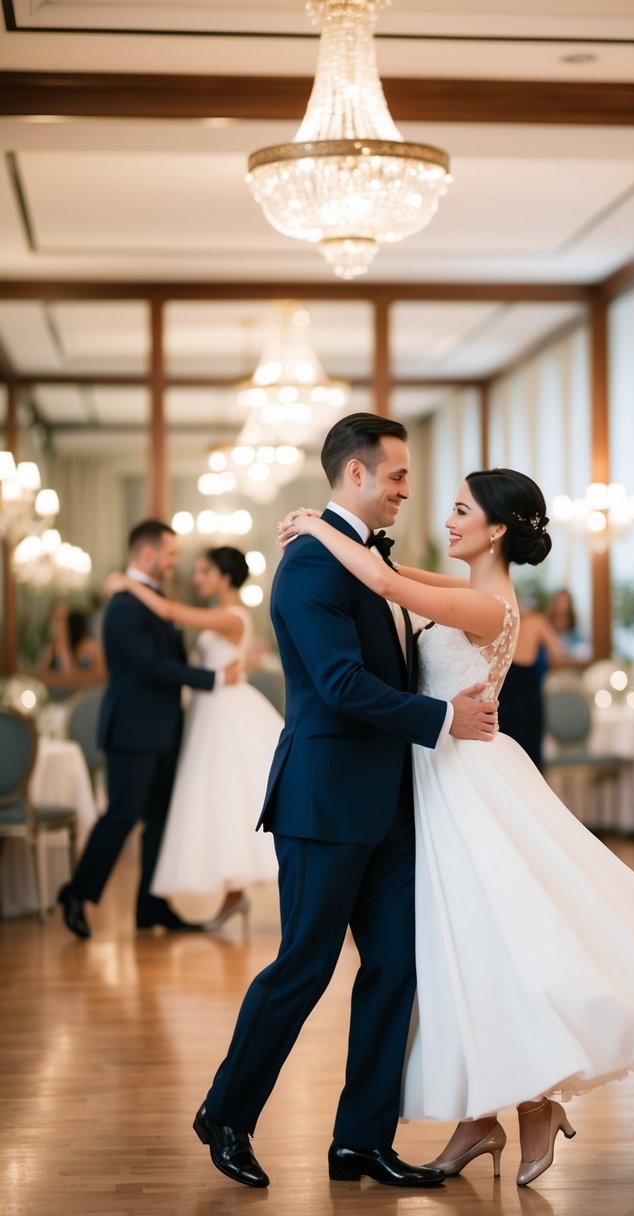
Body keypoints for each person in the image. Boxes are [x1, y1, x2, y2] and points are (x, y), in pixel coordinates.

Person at [283, 467, 634, 1189]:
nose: (446, 520)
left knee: (495, 946)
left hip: (468, 785)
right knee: (464, 955)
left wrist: (319, 528)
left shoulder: (486, 606)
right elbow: (396, 570)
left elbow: (388, 586)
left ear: (495, 532)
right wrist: (342, 537)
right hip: (439, 776)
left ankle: (530, 1100)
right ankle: (486, 1116)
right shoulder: (472, 590)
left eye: (459, 512)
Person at [193, 414, 498, 1191]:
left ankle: (359, 1139)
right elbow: (338, 686)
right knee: (304, 965)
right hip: (323, 802)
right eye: (395, 477)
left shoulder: (364, 560)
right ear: (354, 476)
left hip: (391, 804)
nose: (406, 490)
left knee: (396, 966)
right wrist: (441, 719)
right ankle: (226, 1112)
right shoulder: (308, 569)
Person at [57, 520, 241, 941]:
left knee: (160, 820)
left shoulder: (154, 599)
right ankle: (76, 893)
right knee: (121, 817)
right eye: (171, 554)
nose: (175, 562)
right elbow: (151, 667)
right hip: (132, 731)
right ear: (147, 554)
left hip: (165, 728)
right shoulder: (123, 605)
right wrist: (213, 678)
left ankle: (150, 906)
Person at [103, 546, 282, 931]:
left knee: (226, 798)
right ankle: (233, 896)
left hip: (224, 711)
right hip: (206, 708)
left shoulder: (229, 615)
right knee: (216, 800)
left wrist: (126, 584)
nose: (196, 578)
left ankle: (236, 894)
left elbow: (168, 612)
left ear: (223, 577)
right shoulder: (226, 616)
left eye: (204, 572)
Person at [498, 604, 565, 768]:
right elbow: (558, 654)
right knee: (529, 746)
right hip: (527, 687)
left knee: (505, 747)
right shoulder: (537, 622)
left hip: (503, 686)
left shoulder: (499, 620)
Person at [33, 601, 106, 686]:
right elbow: (37, 675)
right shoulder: (53, 648)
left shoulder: (93, 647)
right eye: (55, 619)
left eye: (61, 620)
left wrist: (63, 638)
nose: (56, 625)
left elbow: (70, 677)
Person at [547, 587, 590, 659]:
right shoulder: (546, 626)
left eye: (565, 602)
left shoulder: (575, 633)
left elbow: (583, 649)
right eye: (560, 601)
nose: (562, 605)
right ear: (554, 603)